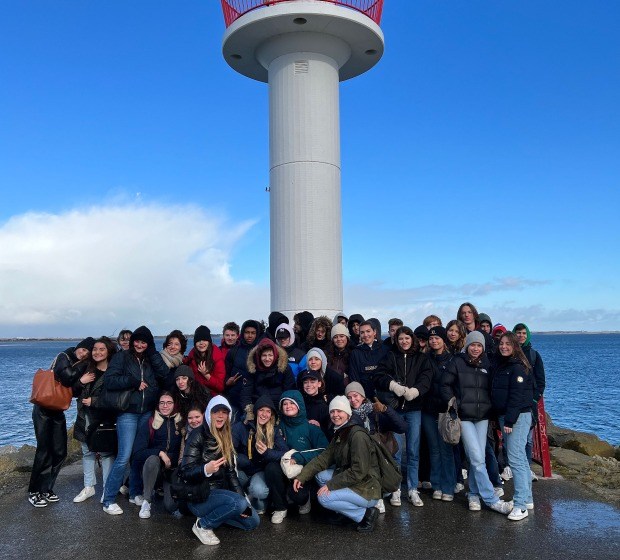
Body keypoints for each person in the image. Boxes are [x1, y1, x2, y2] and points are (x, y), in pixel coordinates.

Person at [441, 331, 513, 515]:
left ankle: (473, 493)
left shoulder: (488, 364)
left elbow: (494, 387)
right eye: (473, 344)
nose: (475, 348)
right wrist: (453, 404)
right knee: (477, 458)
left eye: (479, 345)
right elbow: (445, 384)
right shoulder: (458, 361)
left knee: (478, 457)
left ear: (483, 347)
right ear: (467, 345)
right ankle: (491, 500)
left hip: (483, 417)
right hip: (464, 417)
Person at [101, 325, 169, 515]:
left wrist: (154, 353)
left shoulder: (150, 359)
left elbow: (165, 375)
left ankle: (134, 492)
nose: (139, 345)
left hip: (147, 412)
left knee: (139, 454)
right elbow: (110, 380)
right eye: (137, 341)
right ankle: (108, 500)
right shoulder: (122, 357)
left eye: (144, 342)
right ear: (132, 342)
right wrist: (132, 381)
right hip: (128, 412)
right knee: (123, 457)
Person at [293, 396, 382, 532]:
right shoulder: (341, 431)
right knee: (320, 475)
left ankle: (366, 514)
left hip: (367, 488)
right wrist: (302, 476)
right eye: (332, 411)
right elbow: (324, 458)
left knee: (323, 498)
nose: (335, 415)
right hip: (356, 482)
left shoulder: (357, 435)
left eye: (339, 411)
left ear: (347, 413)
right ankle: (343, 512)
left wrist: (331, 485)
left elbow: (358, 471)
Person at [179, 396, 260, 545]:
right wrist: (205, 469)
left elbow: (231, 474)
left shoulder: (226, 437)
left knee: (252, 521)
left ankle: (220, 514)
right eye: (217, 412)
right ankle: (202, 525)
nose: (221, 415)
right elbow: (185, 472)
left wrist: (243, 504)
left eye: (224, 412)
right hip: (199, 495)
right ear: (209, 413)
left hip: (220, 495)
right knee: (239, 504)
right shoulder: (197, 435)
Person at [28, 337, 94, 507]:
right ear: (78, 347)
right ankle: (34, 491)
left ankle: (46, 488)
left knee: (59, 451)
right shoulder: (64, 356)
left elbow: (73, 392)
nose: (83, 353)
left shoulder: (80, 364)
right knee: (44, 450)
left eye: (87, 352)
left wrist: (80, 382)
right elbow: (66, 377)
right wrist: (81, 376)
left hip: (58, 409)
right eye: (83, 349)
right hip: (43, 409)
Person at [374, 326, 432, 507]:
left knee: (413, 451)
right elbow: (378, 375)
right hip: (396, 409)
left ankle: (413, 489)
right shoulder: (391, 357)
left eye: (407, 338)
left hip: (414, 409)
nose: (404, 341)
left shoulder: (422, 359)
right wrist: (393, 386)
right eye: (400, 339)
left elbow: (427, 378)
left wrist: (416, 391)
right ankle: (396, 488)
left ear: (412, 339)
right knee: (396, 451)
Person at [492, 332, 535, 521]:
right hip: (507, 416)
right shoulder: (503, 365)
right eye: (501, 343)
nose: (504, 346)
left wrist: (509, 420)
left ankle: (520, 506)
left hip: (517, 417)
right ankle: (527, 499)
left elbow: (517, 397)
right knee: (521, 460)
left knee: (516, 459)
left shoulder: (517, 367)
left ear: (515, 346)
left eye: (508, 344)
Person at [267, 390, 329, 521]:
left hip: (302, 469)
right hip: (282, 465)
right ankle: (280, 508)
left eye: (292, 403)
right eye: (285, 404)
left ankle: (304, 500)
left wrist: (299, 457)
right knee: (271, 468)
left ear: (299, 405)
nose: (288, 406)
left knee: (298, 496)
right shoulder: (277, 426)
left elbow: (324, 450)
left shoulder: (310, 427)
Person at [72, 336, 117, 504]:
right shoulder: (86, 368)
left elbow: (117, 397)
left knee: (106, 453)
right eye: (95, 349)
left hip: (104, 417)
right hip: (85, 416)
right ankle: (89, 486)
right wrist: (79, 382)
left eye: (102, 349)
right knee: (87, 452)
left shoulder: (113, 371)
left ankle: (107, 489)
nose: (97, 352)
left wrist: (95, 401)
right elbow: (73, 391)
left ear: (108, 351)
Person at [130, 391, 183, 519]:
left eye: (169, 403)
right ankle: (146, 501)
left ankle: (163, 492)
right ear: (158, 405)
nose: (165, 406)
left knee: (171, 507)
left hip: (174, 470)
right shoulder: (150, 422)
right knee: (153, 459)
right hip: (155, 468)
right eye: (162, 403)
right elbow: (137, 453)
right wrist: (159, 453)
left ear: (174, 405)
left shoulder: (181, 422)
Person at [232, 395, 287, 514]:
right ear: (256, 411)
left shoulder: (274, 430)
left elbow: (284, 453)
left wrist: (267, 452)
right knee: (229, 479)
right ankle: (242, 500)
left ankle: (258, 501)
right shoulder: (241, 426)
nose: (264, 414)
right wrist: (244, 460)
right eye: (261, 410)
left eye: (268, 411)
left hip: (259, 471)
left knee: (259, 492)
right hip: (242, 469)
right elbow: (230, 451)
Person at [421, 327, 456, 502]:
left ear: (443, 340)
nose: (434, 341)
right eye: (431, 338)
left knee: (446, 449)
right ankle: (436, 484)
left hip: (446, 411)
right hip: (428, 409)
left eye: (437, 338)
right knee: (434, 450)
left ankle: (448, 486)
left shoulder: (452, 360)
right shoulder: (425, 359)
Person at [513, 322, 546, 477]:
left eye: (524, 333)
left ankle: (526, 467)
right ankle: (511, 467)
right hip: (512, 401)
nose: (521, 336)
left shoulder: (534, 355)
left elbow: (541, 381)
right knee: (511, 438)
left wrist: (534, 399)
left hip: (529, 404)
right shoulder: (509, 352)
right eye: (518, 333)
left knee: (528, 439)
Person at [241, 338, 296, 421]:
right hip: (258, 408)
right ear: (259, 356)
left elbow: (289, 391)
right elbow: (246, 394)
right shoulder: (252, 369)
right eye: (264, 355)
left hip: (279, 408)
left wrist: (283, 411)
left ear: (275, 355)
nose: (267, 359)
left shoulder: (284, 368)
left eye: (270, 355)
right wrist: (249, 412)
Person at [224, 320, 264, 419]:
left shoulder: (262, 352)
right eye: (247, 332)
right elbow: (226, 373)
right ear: (242, 333)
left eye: (253, 333)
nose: (249, 336)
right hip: (235, 399)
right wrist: (227, 382)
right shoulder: (233, 352)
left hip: (255, 400)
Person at [348, 320, 388, 399]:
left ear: (374, 332)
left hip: (385, 397)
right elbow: (354, 379)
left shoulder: (385, 350)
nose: (365, 335)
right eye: (362, 332)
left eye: (368, 331)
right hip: (365, 398)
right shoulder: (355, 353)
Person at [184, 325, 226, 396]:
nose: (201, 343)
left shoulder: (217, 357)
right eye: (198, 341)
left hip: (212, 396)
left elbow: (220, 387)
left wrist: (206, 375)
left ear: (209, 342)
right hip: (195, 395)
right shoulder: (192, 356)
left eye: (204, 340)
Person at [298, 369, 330, 437]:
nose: (309, 385)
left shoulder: (325, 405)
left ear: (319, 384)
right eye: (305, 382)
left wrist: (319, 426)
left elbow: (330, 430)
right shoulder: (299, 403)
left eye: (312, 382)